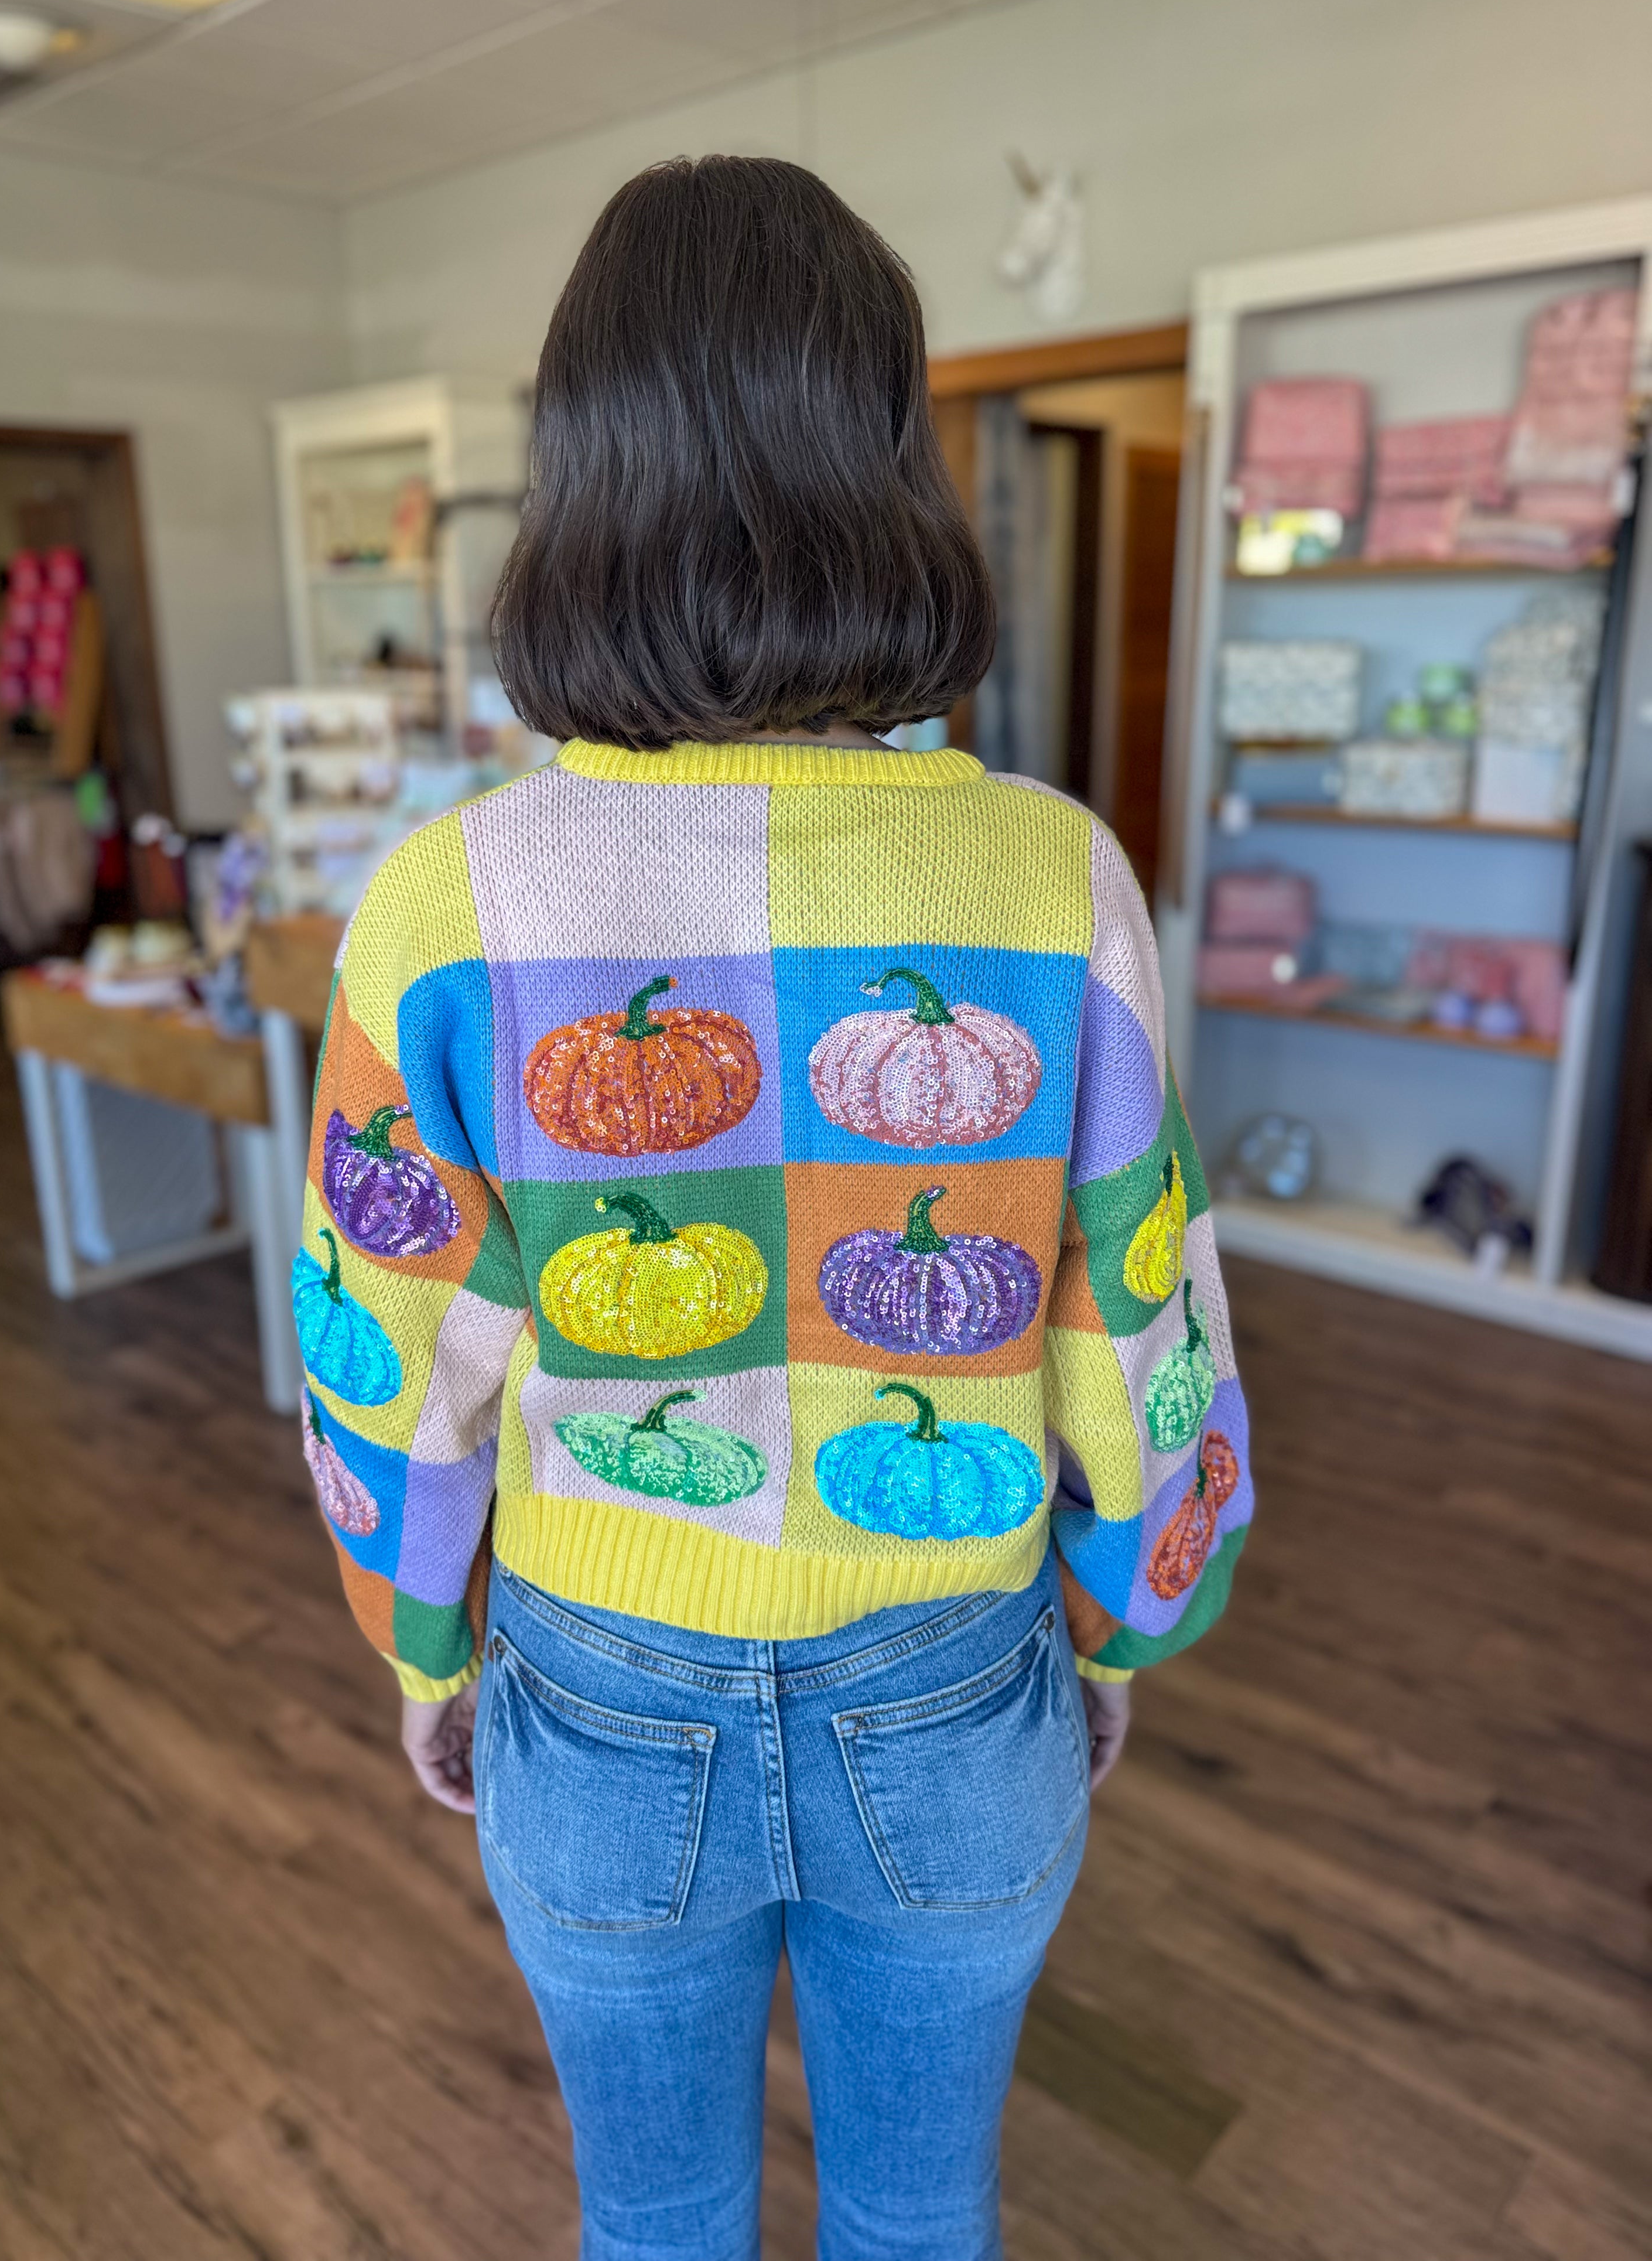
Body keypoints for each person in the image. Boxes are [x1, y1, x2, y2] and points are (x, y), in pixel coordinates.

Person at [294, 156, 1253, 2261]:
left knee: (649, 2220)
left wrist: (422, 1645)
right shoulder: (1050, 878)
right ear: (886, 463)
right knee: (923, 2213)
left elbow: (385, 1356)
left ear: (578, 471)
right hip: (953, 1672)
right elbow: (1135, 1315)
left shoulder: (442, 907)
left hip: (597, 1689)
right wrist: (1117, 1623)